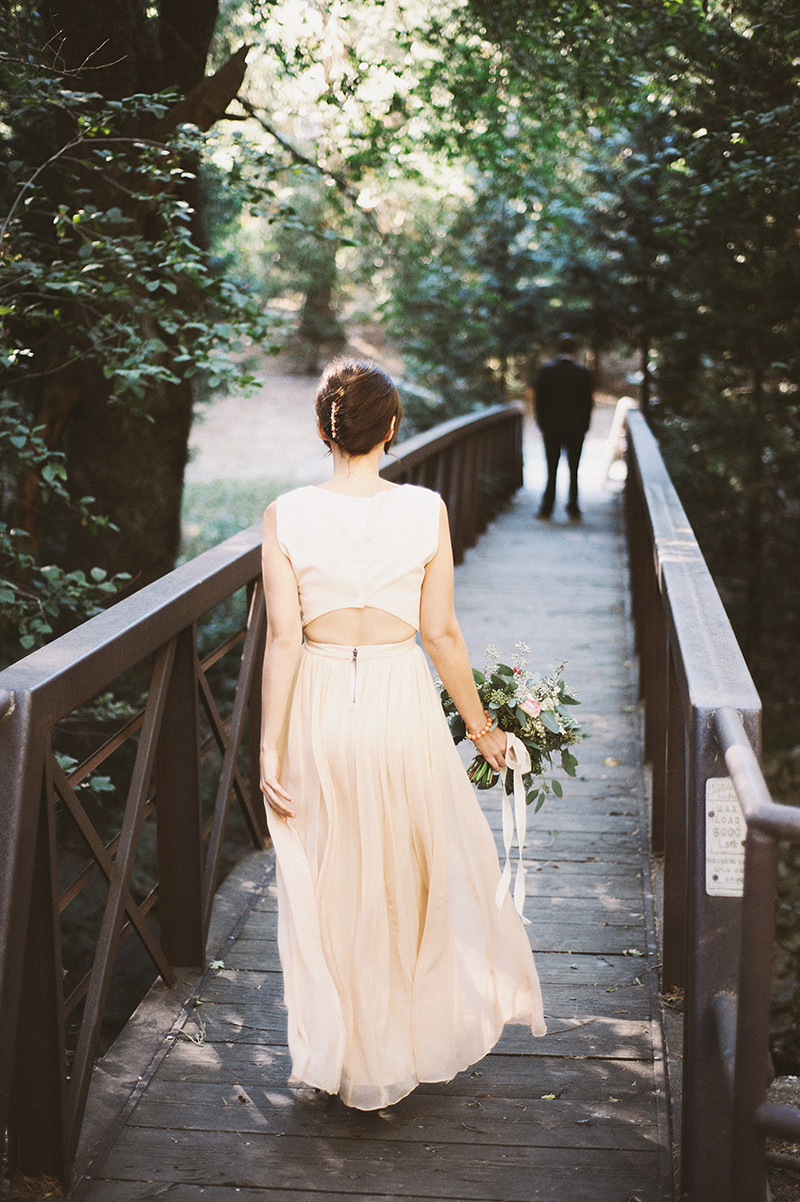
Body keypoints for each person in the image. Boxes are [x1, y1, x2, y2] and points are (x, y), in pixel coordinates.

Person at [259, 358, 545, 1111]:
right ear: (390, 429)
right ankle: (388, 1056)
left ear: (324, 428)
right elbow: (442, 632)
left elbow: (283, 641)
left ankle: (342, 1053)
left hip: (319, 704)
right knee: (404, 878)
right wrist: (481, 728)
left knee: (328, 881)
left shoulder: (286, 513)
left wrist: (266, 746)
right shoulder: (424, 510)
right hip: (397, 698)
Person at [533, 332, 594, 521]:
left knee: (551, 468)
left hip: (551, 428)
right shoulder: (583, 373)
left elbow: (539, 402)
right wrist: (584, 426)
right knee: (573, 469)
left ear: (558, 348)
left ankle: (546, 508)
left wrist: (542, 424)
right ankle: (573, 508)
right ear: (574, 350)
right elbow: (587, 404)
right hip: (575, 429)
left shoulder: (546, 371)